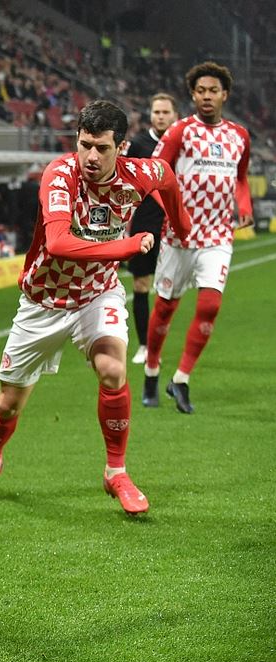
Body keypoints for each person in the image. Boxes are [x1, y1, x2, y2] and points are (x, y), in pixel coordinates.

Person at [0, 100, 191, 515]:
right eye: (85, 145)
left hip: (97, 293)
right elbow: (60, 243)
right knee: (9, 402)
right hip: (44, 300)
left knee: (113, 369)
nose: (91, 157)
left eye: (102, 148)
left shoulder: (140, 174)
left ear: (121, 147)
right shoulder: (59, 175)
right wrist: (127, 247)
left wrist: (182, 226)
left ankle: (116, 472)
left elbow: (168, 179)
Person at [142, 63, 253, 413]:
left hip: (218, 235)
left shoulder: (240, 136)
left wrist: (244, 205)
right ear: (192, 95)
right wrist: (174, 214)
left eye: (213, 91)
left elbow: (241, 178)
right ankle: (151, 371)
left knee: (210, 305)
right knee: (165, 308)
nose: (207, 96)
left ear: (225, 95)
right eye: (201, 90)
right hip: (178, 237)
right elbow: (154, 178)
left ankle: (181, 379)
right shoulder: (179, 131)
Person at [124, 93, 179, 364]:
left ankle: (156, 345)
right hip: (144, 223)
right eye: (156, 112)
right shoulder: (138, 144)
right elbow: (126, 180)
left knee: (167, 288)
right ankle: (144, 346)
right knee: (141, 284)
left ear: (175, 115)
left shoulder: (182, 143)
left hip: (173, 224)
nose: (160, 116)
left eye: (165, 112)